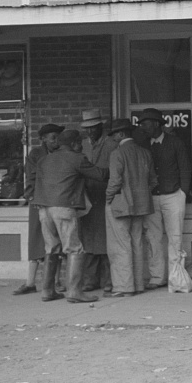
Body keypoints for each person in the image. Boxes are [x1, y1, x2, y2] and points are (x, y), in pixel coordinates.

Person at [34, 129, 108, 303]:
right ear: (74, 143)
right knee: (74, 249)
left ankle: (47, 291)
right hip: (64, 208)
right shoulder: (77, 158)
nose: (81, 146)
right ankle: (74, 292)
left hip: (44, 209)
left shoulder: (44, 159)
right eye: (80, 143)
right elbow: (100, 175)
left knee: (51, 249)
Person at [138, 108, 192, 290]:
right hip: (152, 197)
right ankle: (157, 277)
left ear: (156, 124)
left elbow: (185, 168)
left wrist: (182, 192)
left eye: (145, 124)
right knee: (153, 238)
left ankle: (175, 278)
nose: (143, 128)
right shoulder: (143, 145)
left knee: (175, 237)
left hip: (173, 195)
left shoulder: (175, 142)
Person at [104, 119, 156, 297]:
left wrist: (108, 198)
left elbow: (115, 181)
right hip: (141, 204)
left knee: (120, 245)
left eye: (113, 135)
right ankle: (138, 284)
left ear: (121, 134)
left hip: (120, 204)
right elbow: (153, 181)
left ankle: (124, 287)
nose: (112, 138)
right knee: (137, 243)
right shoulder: (145, 153)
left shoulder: (117, 154)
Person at [13, 122, 63, 295]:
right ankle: (30, 282)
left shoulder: (60, 153)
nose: (56, 141)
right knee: (36, 240)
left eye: (58, 137)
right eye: (52, 138)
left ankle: (55, 282)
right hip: (39, 201)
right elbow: (30, 177)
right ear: (43, 139)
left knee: (56, 240)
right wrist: (32, 196)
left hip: (56, 201)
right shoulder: (36, 154)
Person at [79, 108, 118, 292]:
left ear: (101, 126)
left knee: (106, 240)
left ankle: (108, 281)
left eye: (93, 128)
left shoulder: (111, 145)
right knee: (88, 241)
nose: (90, 132)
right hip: (88, 198)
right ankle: (90, 281)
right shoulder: (82, 145)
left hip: (105, 196)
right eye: (87, 129)